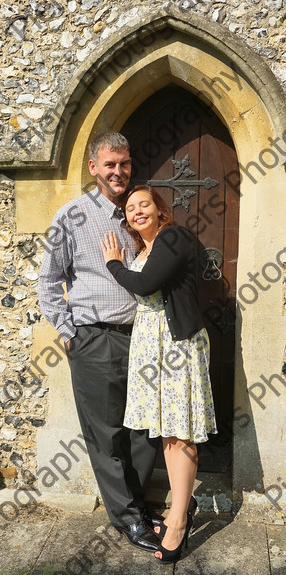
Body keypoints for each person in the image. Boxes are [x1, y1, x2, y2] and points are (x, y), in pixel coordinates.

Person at [38, 132, 161, 552]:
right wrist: (70, 334)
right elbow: (49, 280)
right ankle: (129, 519)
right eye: (109, 164)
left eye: (124, 163)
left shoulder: (137, 212)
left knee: (146, 428)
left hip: (143, 337)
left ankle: (137, 503)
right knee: (107, 435)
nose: (118, 171)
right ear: (93, 168)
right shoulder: (70, 216)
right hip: (95, 339)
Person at [100, 185, 217, 564]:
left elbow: (145, 284)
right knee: (165, 427)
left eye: (144, 204)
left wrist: (113, 265)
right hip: (151, 344)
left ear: (159, 208)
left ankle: (179, 521)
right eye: (130, 208)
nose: (136, 211)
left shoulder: (173, 236)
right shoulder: (143, 250)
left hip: (177, 344)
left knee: (178, 429)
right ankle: (182, 504)